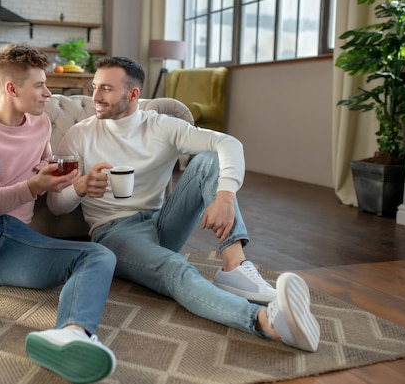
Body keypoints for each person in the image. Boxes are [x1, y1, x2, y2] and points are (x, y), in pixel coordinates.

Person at [47, 56, 320, 352]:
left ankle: (234, 266)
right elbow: (55, 206)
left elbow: (230, 144)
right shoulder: (80, 135)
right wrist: (81, 187)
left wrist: (225, 196)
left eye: (107, 89)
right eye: (95, 87)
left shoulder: (161, 126)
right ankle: (265, 321)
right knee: (177, 268)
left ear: (133, 94)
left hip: (162, 222)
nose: (96, 97)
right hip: (114, 234)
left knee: (209, 158)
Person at [0, 44, 117, 383]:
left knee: (100, 256)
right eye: (40, 86)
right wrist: (32, 186)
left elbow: (42, 169)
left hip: (14, 242)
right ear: (11, 88)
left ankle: (72, 332)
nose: (48, 93)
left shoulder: (40, 124)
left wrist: (66, 181)